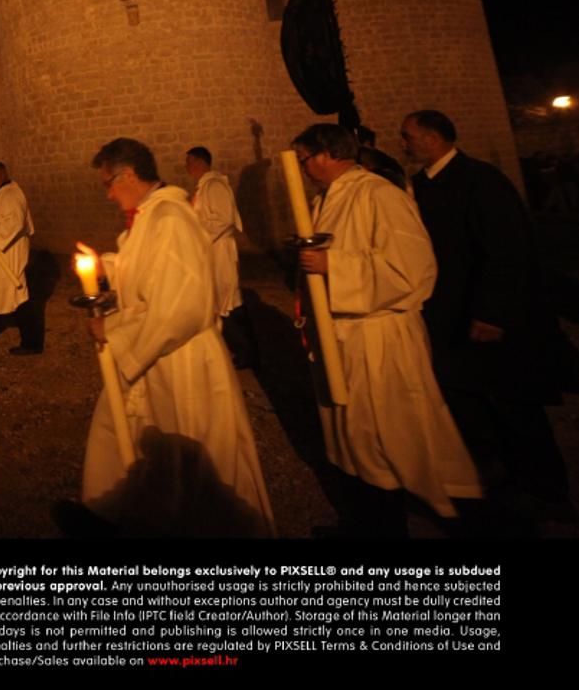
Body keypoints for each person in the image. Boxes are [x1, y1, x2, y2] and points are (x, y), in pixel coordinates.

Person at [64, 138, 273, 537]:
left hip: (181, 360)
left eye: (109, 184)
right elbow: (151, 274)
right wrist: (107, 268)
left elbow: (180, 309)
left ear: (128, 175)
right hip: (158, 355)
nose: (108, 195)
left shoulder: (170, 219)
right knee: (140, 449)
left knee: (189, 466)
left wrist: (115, 331)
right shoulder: (152, 217)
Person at [292, 122, 480, 535]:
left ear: (328, 153)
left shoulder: (378, 195)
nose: (302, 169)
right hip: (345, 337)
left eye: (304, 159)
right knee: (353, 436)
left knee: (386, 436)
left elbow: (413, 269)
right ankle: (364, 521)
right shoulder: (328, 199)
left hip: (379, 336)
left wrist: (333, 265)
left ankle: (399, 526)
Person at [401, 109, 571, 521]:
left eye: (408, 136)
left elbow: (505, 249)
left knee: (514, 405)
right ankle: (498, 483)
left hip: (486, 317)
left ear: (431, 137)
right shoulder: (422, 185)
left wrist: (492, 312)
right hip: (449, 315)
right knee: (468, 401)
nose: (404, 143)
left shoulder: (480, 180)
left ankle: (547, 493)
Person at [185, 146, 258, 370]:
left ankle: (246, 351)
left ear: (199, 161)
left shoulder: (215, 185)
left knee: (228, 301)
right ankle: (237, 349)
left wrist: (198, 234)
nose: (187, 167)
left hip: (220, 251)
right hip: (211, 251)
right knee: (220, 300)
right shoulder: (204, 187)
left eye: (189, 161)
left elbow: (224, 220)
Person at [0, 161, 39, 354]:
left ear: (3, 174)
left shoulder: (12, 194)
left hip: (8, 255)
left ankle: (32, 342)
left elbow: (15, 223)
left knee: (17, 295)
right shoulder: (0, 193)